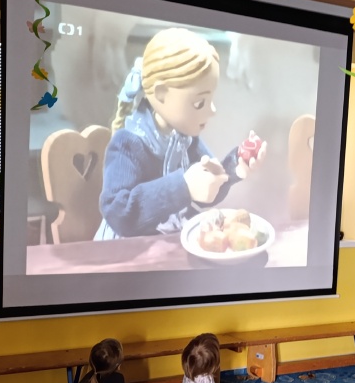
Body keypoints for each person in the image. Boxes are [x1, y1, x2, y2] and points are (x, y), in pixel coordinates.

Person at [95, 27, 266, 240]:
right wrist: (183, 187)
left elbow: (207, 193)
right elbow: (118, 213)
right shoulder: (127, 143)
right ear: (161, 94)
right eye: (199, 102)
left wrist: (234, 168)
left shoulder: (187, 139)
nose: (212, 110)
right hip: (130, 248)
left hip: (172, 239)